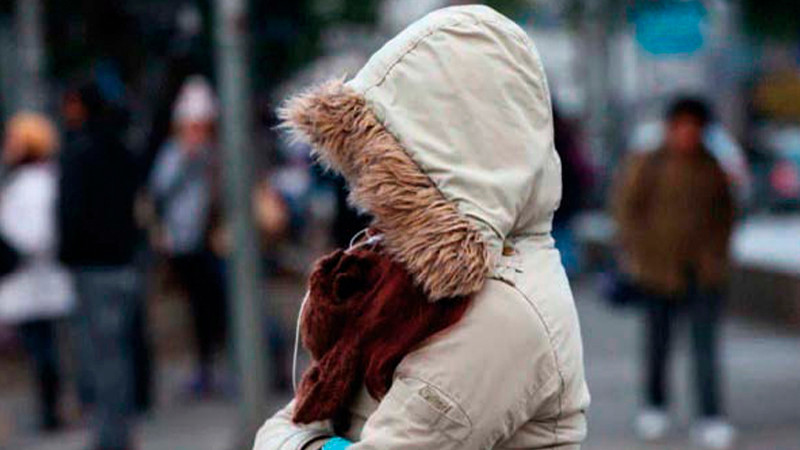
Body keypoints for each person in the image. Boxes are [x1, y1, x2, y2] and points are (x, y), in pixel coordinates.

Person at [254, 5, 590, 449]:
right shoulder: (418, 283)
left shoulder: (502, 309)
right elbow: (306, 412)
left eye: (389, 163)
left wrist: (301, 441)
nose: (373, 191)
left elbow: (293, 425)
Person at [612, 97, 736, 449]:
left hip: (704, 272)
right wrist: (636, 254)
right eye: (681, 126)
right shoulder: (647, 164)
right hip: (657, 271)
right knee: (657, 344)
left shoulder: (713, 166)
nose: (687, 134)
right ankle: (655, 405)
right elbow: (626, 210)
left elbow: (726, 214)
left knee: (705, 349)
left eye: (694, 127)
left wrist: (717, 255)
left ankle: (711, 415)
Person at [58, 79, 142, 450]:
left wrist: (68, 250)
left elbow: (72, 212)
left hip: (94, 266)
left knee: (103, 356)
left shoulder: (81, 152)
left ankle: (112, 436)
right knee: (118, 351)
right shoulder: (119, 148)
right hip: (122, 261)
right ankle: (118, 429)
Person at [149, 75, 227, 395]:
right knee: (197, 309)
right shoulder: (174, 153)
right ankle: (204, 368)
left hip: (214, 241)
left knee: (217, 307)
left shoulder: (216, 152)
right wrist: (186, 158)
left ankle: (217, 366)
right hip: (185, 243)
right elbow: (159, 188)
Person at [0, 113, 74, 432]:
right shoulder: (36, 181)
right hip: (35, 281)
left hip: (35, 280)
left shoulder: (35, 185)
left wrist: (14, 250)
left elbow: (37, 235)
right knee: (42, 349)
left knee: (44, 351)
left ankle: (51, 412)